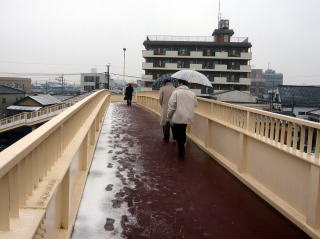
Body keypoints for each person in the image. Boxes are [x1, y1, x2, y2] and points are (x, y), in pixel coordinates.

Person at [167, 79, 198, 158]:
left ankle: (181, 151)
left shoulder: (176, 92)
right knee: (183, 131)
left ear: (181, 83)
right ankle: (182, 147)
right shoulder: (192, 93)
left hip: (178, 116)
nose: (177, 85)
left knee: (178, 134)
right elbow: (195, 104)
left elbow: (172, 106)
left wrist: (169, 116)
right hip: (187, 116)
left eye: (178, 83)